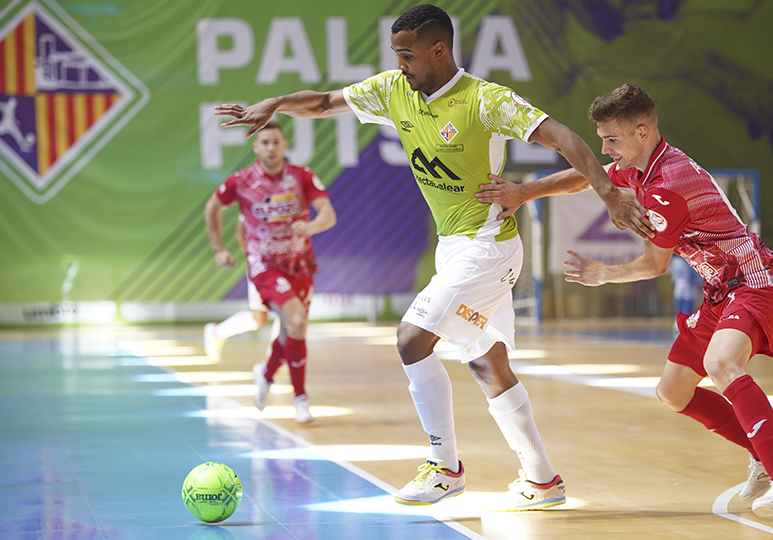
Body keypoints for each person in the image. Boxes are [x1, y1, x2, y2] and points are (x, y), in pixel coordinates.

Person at [214, 3, 648, 510]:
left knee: (411, 337)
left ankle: (445, 467)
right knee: (488, 364)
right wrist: (278, 102)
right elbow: (324, 103)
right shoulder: (392, 90)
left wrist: (608, 193)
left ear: (438, 50)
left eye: (408, 54)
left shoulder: (486, 101)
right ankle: (542, 480)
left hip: (488, 247)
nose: (400, 63)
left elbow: (566, 139)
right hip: (454, 250)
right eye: (395, 54)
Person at [477, 84, 773, 521]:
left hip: (755, 281)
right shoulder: (640, 167)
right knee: (672, 392)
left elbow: (655, 265)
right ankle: (765, 450)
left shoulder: (668, 184)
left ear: (642, 131)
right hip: (720, 289)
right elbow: (587, 176)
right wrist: (526, 192)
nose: (604, 148)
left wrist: (605, 273)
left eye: (611, 140)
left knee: (722, 364)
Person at [204, 120, 336, 425]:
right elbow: (213, 209)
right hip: (264, 267)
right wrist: (218, 249)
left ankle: (264, 375)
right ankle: (300, 397)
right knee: (294, 319)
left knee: (292, 327)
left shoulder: (302, 177)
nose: (271, 148)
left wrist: (313, 226)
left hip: (300, 265)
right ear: (256, 147)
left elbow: (328, 213)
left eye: (276, 142)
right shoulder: (242, 181)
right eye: (265, 142)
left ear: (285, 145)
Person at [204, 218, 280, 362]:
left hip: (284, 263)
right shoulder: (256, 198)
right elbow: (240, 227)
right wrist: (251, 256)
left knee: (282, 312)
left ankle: (275, 359)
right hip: (262, 265)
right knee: (260, 318)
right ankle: (217, 332)